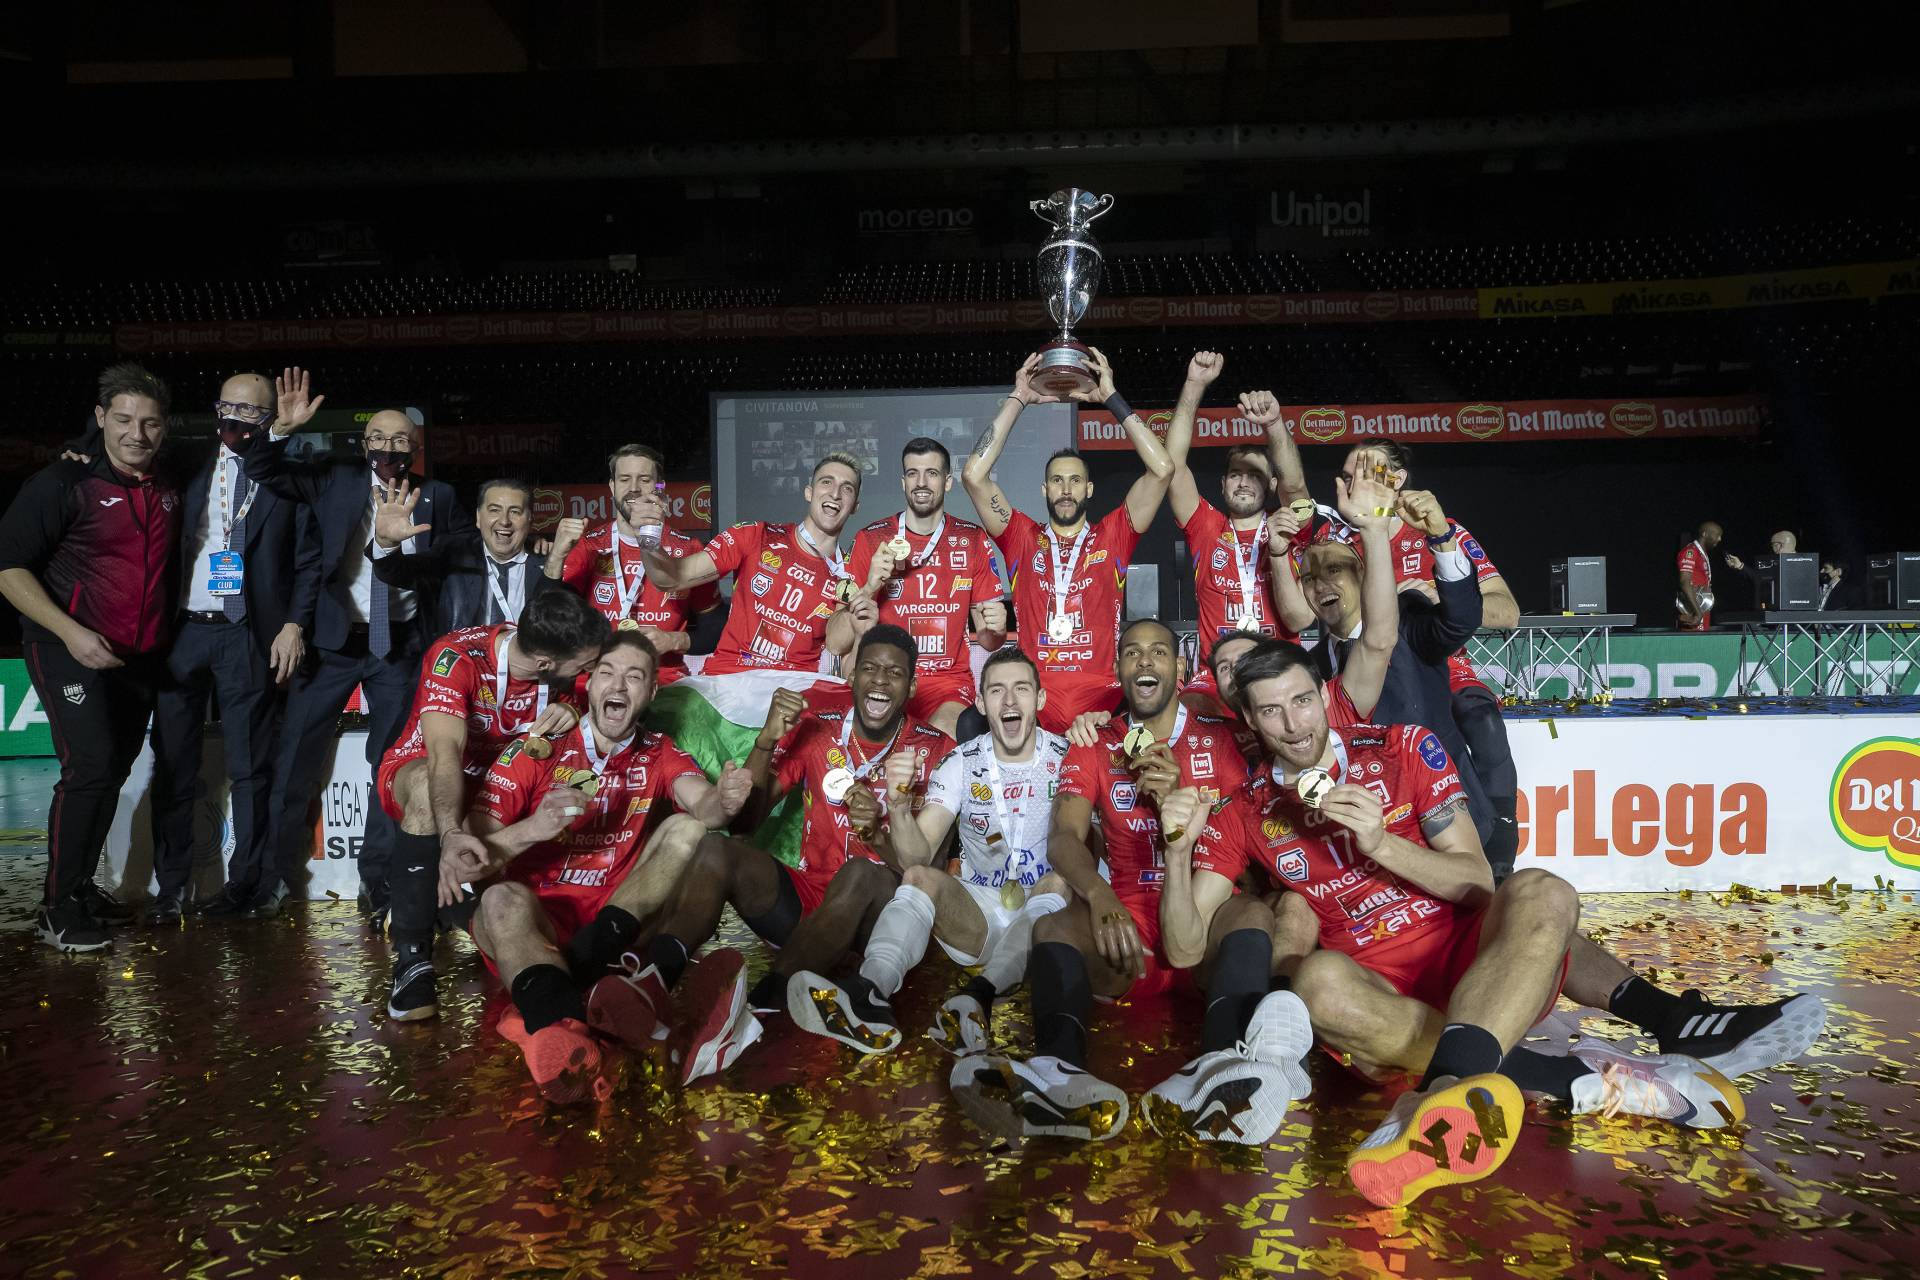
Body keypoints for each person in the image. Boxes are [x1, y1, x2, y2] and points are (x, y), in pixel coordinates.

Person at [1169, 639, 1827, 1203]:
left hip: (1477, 963)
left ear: (1323, 693)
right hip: (1382, 1000)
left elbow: (1477, 882)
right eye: (1271, 710)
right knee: (1314, 984)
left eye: (1302, 700)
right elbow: (1183, 947)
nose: (1293, 724)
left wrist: (1381, 843)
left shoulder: (1401, 748)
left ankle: (1448, 1090)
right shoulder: (1243, 811)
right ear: (1248, 720)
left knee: (1539, 889)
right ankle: (1569, 1077)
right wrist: (1176, 850)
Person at [950, 618, 1248, 1141]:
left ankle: (1223, 1070)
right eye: (1132, 653)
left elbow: (1242, 840)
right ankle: (1057, 1073)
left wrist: (1177, 798)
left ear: (1180, 668)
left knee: (1254, 914)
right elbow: (1063, 837)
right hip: (1126, 934)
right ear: (1117, 669)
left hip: (1204, 921)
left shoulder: (1220, 739)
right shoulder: (1094, 742)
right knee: (1053, 927)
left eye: (1158, 652)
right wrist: (1100, 895)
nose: (1145, 661)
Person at [613, 625, 953, 1081]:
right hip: (811, 905)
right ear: (852, 676)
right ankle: (657, 978)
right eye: (869, 668)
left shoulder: (937, 748)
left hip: (880, 917)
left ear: (911, 686)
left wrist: (877, 837)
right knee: (716, 849)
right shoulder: (821, 727)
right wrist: (766, 740)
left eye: (894, 673)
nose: (879, 680)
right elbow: (746, 823)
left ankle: (759, 1011)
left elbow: (928, 873)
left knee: (859, 872)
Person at [58, 370, 322, 924]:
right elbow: (125, 433)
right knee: (174, 764)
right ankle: (171, 888)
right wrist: (82, 448)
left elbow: (307, 561)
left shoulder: (289, 473)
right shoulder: (184, 460)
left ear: (269, 419)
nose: (235, 419)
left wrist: (294, 624)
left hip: (248, 633)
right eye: (227, 407)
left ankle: (248, 885)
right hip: (181, 632)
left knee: (251, 769)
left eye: (250, 412)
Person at [455, 632, 754, 1102]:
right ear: (589, 683)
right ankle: (589, 1021)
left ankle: (549, 1019)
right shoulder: (534, 749)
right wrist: (534, 827)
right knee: (497, 899)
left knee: (690, 829)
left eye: (634, 677)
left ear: (651, 692)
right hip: (536, 928)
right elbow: (468, 861)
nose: (618, 685)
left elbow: (705, 809)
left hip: (617, 921)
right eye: (608, 673)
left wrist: (726, 800)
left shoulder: (660, 750)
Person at [244, 370, 472, 922]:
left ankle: (379, 881)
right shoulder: (335, 477)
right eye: (379, 438)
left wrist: (404, 552)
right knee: (295, 762)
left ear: (416, 448)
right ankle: (271, 878)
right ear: (363, 442)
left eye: (400, 440)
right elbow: (263, 470)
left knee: (391, 768)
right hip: (333, 643)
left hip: (401, 648)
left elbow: (463, 552)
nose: (389, 448)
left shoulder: (438, 496)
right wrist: (279, 431)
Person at [787, 646, 1072, 1057]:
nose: (1009, 701)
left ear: (1040, 699)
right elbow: (916, 857)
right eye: (996, 690)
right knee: (918, 877)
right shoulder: (961, 761)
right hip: (979, 914)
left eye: (1021, 689)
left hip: (1050, 917)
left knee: (1058, 880)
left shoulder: (1068, 757)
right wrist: (899, 805)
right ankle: (869, 991)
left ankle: (979, 996)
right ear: (980, 702)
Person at [0, 363, 181, 951]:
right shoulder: (62, 482)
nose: (136, 433)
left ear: (165, 427)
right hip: (67, 649)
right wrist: (71, 632)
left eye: (149, 423)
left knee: (111, 770)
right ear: (100, 418)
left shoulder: (170, 485)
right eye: (123, 419)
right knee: (90, 768)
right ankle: (56, 908)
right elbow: (8, 569)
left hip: (138, 659)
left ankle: (79, 888)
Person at [378, 589, 608, 1022]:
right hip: (429, 771)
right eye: (584, 666)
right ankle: (411, 959)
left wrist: (578, 714)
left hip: (505, 784)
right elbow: (444, 755)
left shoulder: (558, 661)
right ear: (545, 663)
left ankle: (533, 931)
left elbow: (596, 706)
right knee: (427, 789)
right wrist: (451, 833)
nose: (590, 671)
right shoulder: (456, 657)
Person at [962, 351, 1174, 733]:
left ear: (1088, 489)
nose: (1065, 489)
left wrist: (1111, 397)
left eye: (1075, 481)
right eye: (1057, 481)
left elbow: (1162, 469)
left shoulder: (1113, 536)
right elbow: (974, 475)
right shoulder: (1021, 537)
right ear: (1044, 489)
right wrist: (1018, 398)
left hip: (1102, 702)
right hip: (1034, 703)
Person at [1339, 438, 1522, 878]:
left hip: (1443, 664)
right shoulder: (1339, 540)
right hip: (1375, 673)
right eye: (1348, 475)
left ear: (1398, 479)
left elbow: (1508, 612)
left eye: (1368, 471)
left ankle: (1500, 846)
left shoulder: (1439, 529)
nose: (1356, 482)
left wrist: (1442, 598)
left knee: (1482, 719)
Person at [1284, 476, 1494, 845]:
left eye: (1334, 570)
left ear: (1362, 573)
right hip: (1367, 836)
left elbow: (1462, 619)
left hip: (1450, 823)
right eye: (1310, 578)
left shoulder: (1408, 622)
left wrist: (1442, 538)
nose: (1321, 585)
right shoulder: (1310, 668)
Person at [631, 453, 862, 675]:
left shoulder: (848, 577)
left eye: (847, 488)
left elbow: (838, 649)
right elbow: (671, 578)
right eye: (826, 482)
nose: (835, 494)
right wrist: (647, 540)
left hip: (792, 688)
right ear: (809, 492)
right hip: (730, 679)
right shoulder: (755, 535)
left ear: (855, 507)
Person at [1163, 354, 1302, 711]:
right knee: (1190, 710)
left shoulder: (1287, 524)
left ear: (1271, 485)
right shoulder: (1206, 527)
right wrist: (1194, 385)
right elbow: (1172, 467)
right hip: (1218, 674)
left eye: (1254, 475)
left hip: (1279, 666)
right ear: (1223, 484)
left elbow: (1295, 485)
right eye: (1236, 475)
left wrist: (1274, 424)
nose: (1243, 482)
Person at [846, 437, 1008, 737]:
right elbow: (841, 634)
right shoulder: (870, 539)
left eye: (931, 473)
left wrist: (996, 630)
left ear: (947, 482)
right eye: (913, 473)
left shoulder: (972, 539)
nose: (921, 482)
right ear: (903, 482)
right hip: (886, 675)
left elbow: (989, 640)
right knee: (878, 738)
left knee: (941, 735)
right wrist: (869, 587)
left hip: (947, 684)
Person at [543, 444, 720, 683]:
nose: (634, 488)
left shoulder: (688, 549)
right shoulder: (588, 546)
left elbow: (716, 627)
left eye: (644, 479)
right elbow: (547, 619)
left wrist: (673, 640)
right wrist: (556, 556)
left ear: (660, 487)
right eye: (624, 479)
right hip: (597, 678)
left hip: (664, 681)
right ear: (612, 486)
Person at [371, 476, 548, 634]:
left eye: (515, 512)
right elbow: (397, 573)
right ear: (478, 517)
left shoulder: (548, 567)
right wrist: (386, 542)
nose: (504, 521)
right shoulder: (452, 554)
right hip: (460, 659)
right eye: (494, 510)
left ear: (530, 519)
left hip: (526, 660)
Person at [1677, 521, 1738, 631]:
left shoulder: (1701, 553)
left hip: (1701, 607)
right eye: (1717, 535)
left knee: (1703, 640)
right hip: (1692, 611)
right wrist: (1697, 612)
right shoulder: (1691, 551)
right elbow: (1684, 582)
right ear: (1704, 534)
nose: (1719, 539)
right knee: (1694, 641)